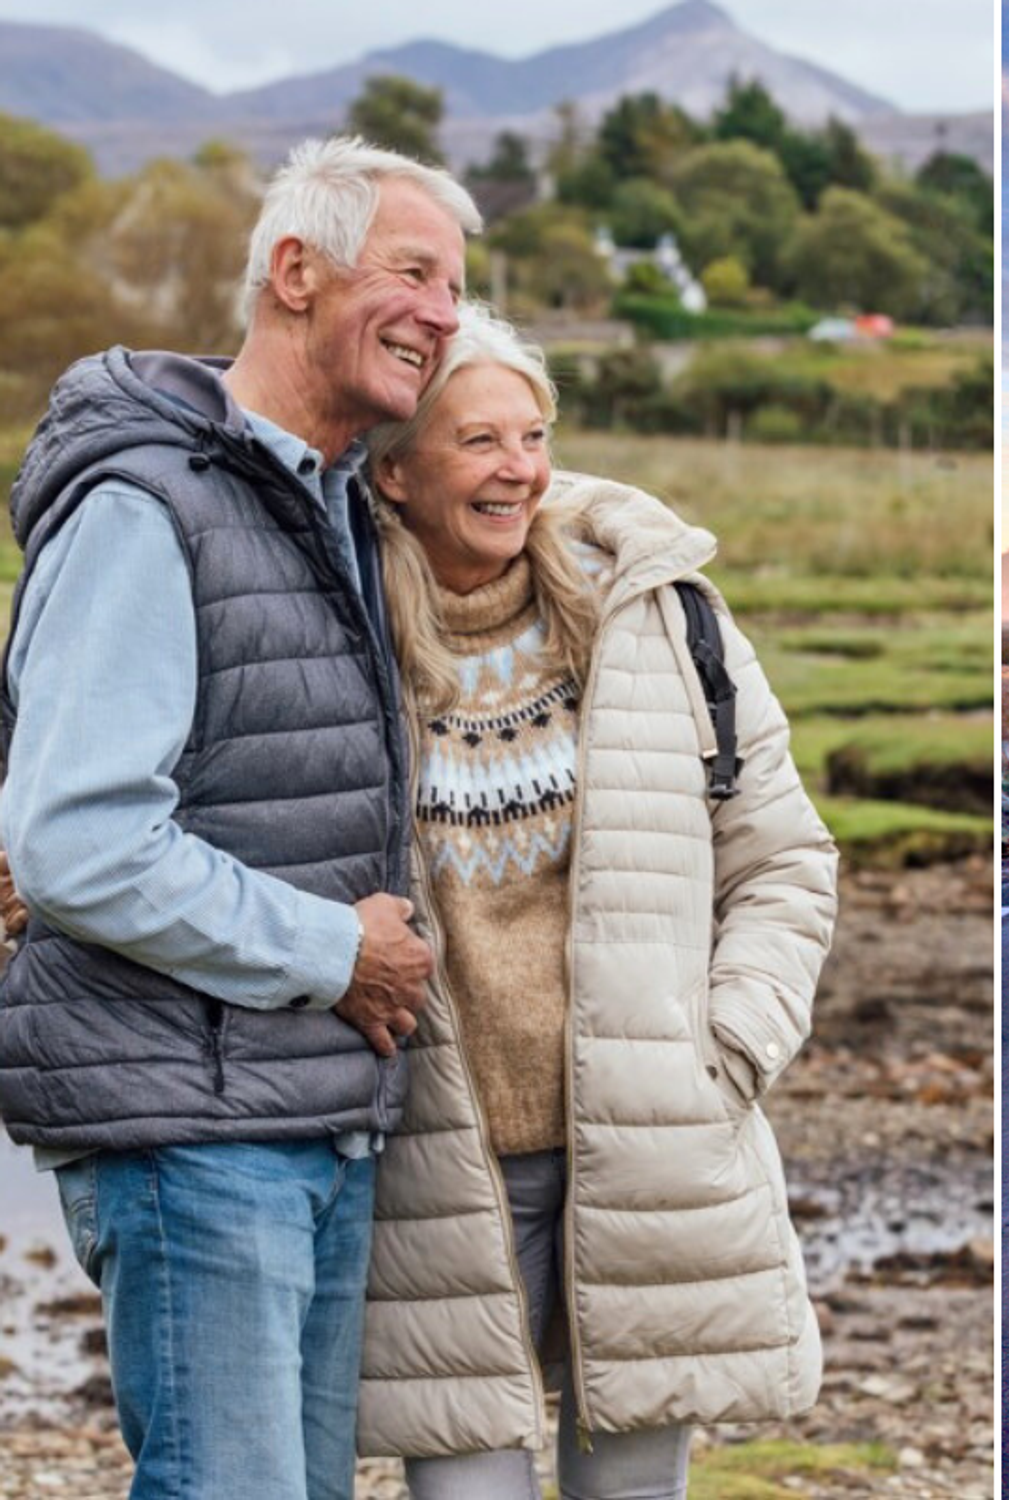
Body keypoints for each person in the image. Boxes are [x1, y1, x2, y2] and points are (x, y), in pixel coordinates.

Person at [0, 137, 479, 1500]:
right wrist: (342, 954)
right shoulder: (153, 505)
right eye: (413, 272)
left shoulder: (318, 502)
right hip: (190, 1131)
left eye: (456, 288)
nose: (444, 314)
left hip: (293, 1118)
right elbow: (81, 843)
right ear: (293, 272)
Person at [352, 303, 837, 1498]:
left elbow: (782, 859)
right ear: (394, 470)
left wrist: (727, 1047)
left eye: (533, 434)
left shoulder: (659, 618)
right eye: (477, 442)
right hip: (430, 1162)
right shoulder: (336, 634)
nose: (517, 468)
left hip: (645, 1139)